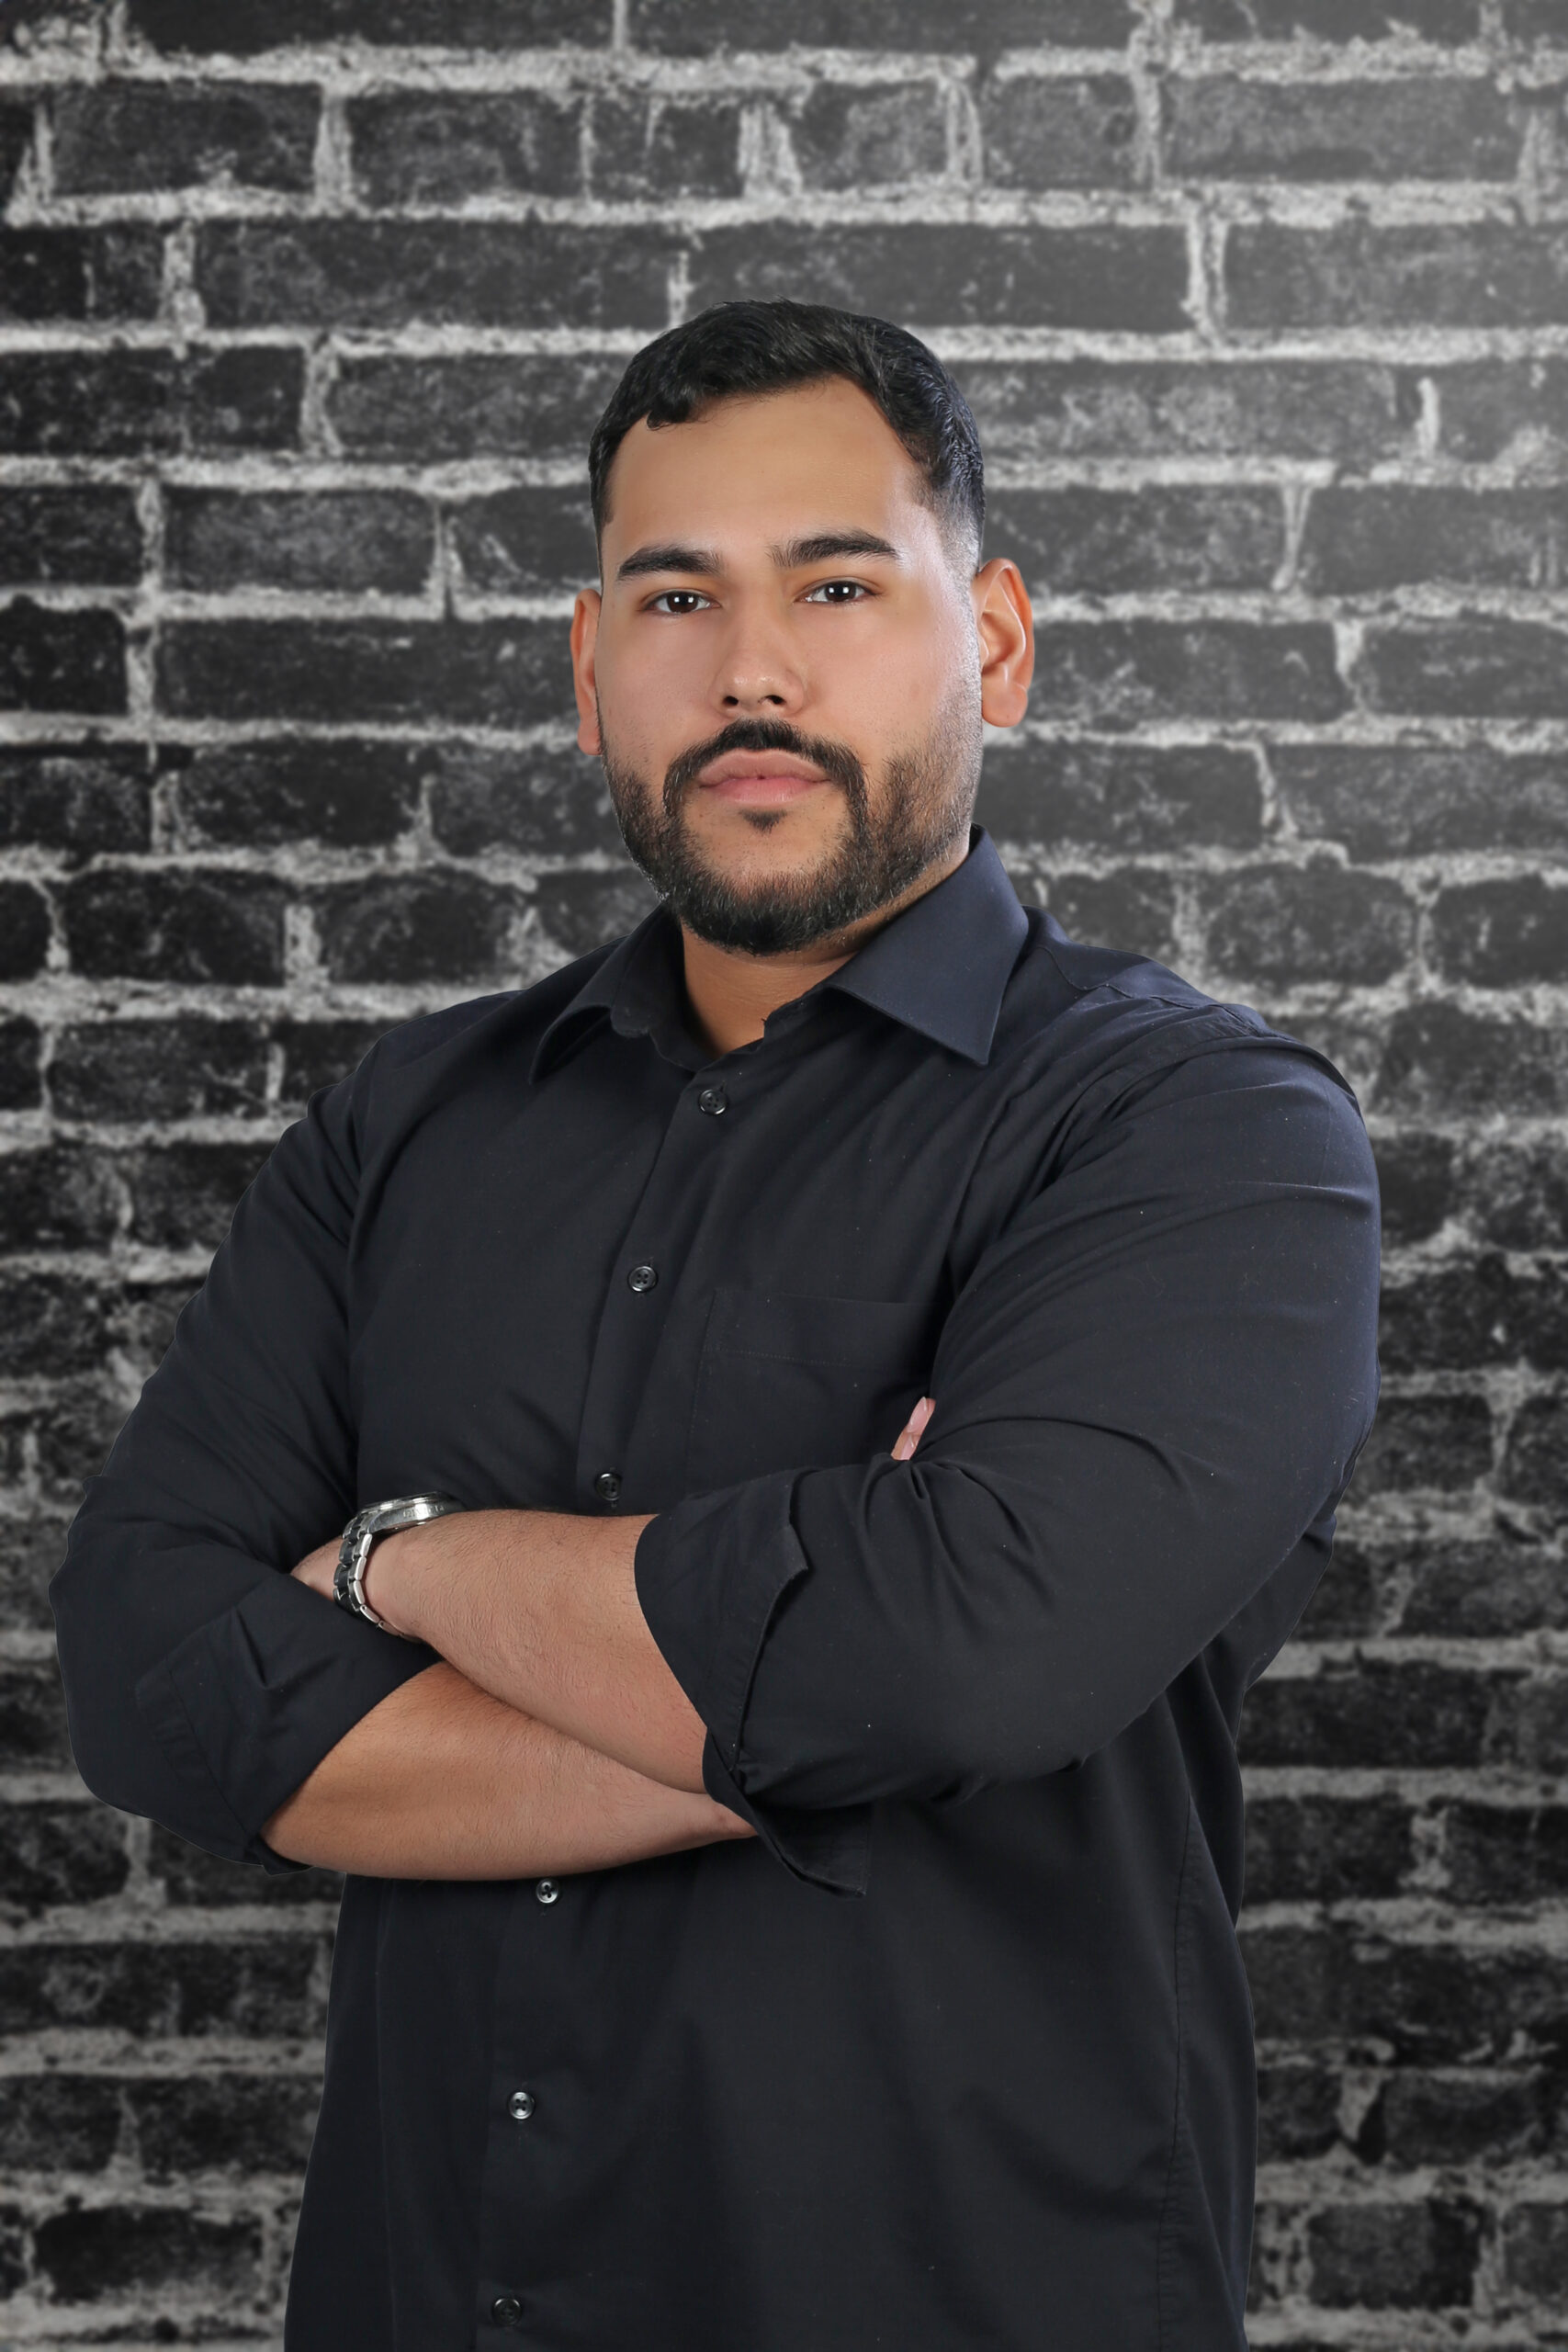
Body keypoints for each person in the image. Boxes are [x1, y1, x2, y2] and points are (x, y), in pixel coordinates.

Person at [52, 300, 1380, 2351]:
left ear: (994, 642)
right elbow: (151, 1674)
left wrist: (403, 1563)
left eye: (836, 585)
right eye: (677, 596)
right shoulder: (410, 1122)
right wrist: (833, 1691)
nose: (751, 668)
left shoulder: (1197, 1130)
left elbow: (961, 1659)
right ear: (592, 669)